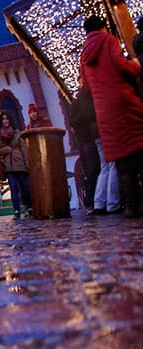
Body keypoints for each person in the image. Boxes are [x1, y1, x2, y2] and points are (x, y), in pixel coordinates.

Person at [79, 15, 143, 218]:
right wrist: (136, 64)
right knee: (139, 151)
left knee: (122, 160)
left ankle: (131, 205)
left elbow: (86, 86)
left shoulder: (84, 54)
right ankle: (140, 204)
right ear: (102, 27)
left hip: (103, 112)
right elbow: (121, 65)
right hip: (122, 102)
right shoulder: (107, 40)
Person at [63, 87, 101, 212]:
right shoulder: (83, 99)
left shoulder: (76, 102)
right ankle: (92, 202)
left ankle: (92, 202)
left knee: (92, 171)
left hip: (85, 140)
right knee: (93, 171)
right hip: (88, 139)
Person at [0, 112, 33, 218]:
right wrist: (5, 150)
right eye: (3, 119)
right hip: (8, 166)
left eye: (7, 119)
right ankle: (16, 210)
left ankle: (29, 207)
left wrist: (27, 162)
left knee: (26, 188)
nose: (5, 121)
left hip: (19, 162)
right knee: (13, 188)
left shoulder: (16, 133)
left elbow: (23, 148)